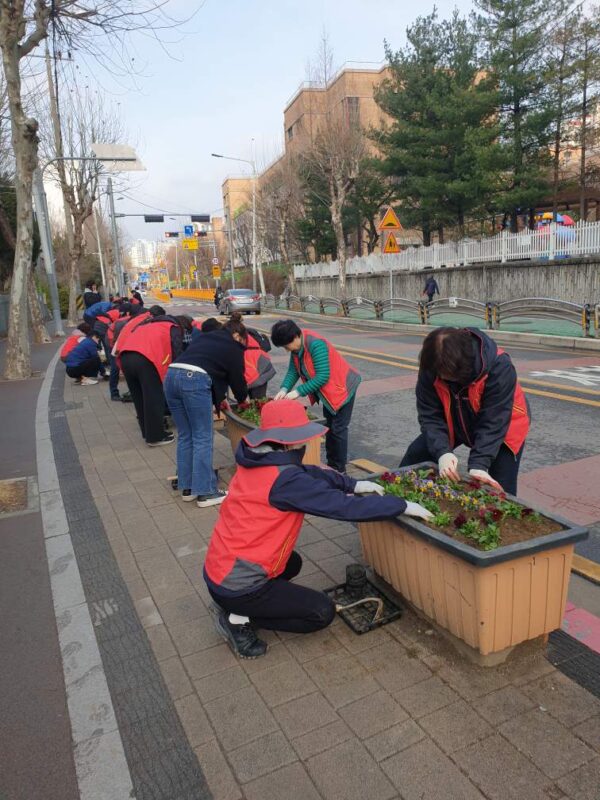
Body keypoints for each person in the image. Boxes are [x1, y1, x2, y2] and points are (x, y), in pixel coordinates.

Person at [204, 399, 433, 658]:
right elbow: (343, 508)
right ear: (289, 440)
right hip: (238, 585)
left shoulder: (259, 459)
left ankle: (240, 606)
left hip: (221, 568)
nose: (307, 442)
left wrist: (354, 485)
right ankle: (238, 620)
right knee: (321, 613)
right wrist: (399, 505)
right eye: (301, 436)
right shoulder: (285, 480)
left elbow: (311, 473)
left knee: (293, 563)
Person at [399, 327, 531, 495]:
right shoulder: (432, 365)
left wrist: (479, 465)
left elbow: (493, 421)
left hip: (503, 424)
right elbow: (430, 415)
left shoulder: (499, 367)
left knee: (501, 486)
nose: (441, 377)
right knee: (416, 455)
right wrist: (443, 453)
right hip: (456, 417)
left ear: (463, 366)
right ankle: (397, 501)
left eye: (446, 374)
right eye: (438, 373)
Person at [164, 314, 248, 506]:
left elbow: (211, 369)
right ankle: (206, 492)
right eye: (243, 341)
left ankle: (188, 488)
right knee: (202, 436)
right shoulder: (233, 347)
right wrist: (242, 400)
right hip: (193, 379)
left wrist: (219, 401)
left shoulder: (206, 337)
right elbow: (237, 381)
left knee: (186, 435)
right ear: (237, 335)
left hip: (171, 376)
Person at [270, 319, 361, 473]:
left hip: (342, 388)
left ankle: (339, 469)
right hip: (329, 393)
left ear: (296, 337)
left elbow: (322, 376)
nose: (287, 350)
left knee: (338, 429)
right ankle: (332, 464)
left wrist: (297, 392)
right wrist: (284, 389)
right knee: (330, 427)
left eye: (286, 346)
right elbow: (293, 371)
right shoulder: (297, 349)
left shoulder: (315, 344)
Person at [119, 313, 184, 446]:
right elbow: (177, 353)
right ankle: (156, 437)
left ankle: (147, 432)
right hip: (146, 360)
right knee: (153, 397)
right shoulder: (172, 327)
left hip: (125, 357)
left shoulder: (146, 325)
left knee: (139, 397)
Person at [223, 312, 275, 399]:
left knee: (257, 402)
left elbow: (246, 375)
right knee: (253, 401)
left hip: (258, 371)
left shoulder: (241, 340)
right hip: (260, 367)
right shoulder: (244, 333)